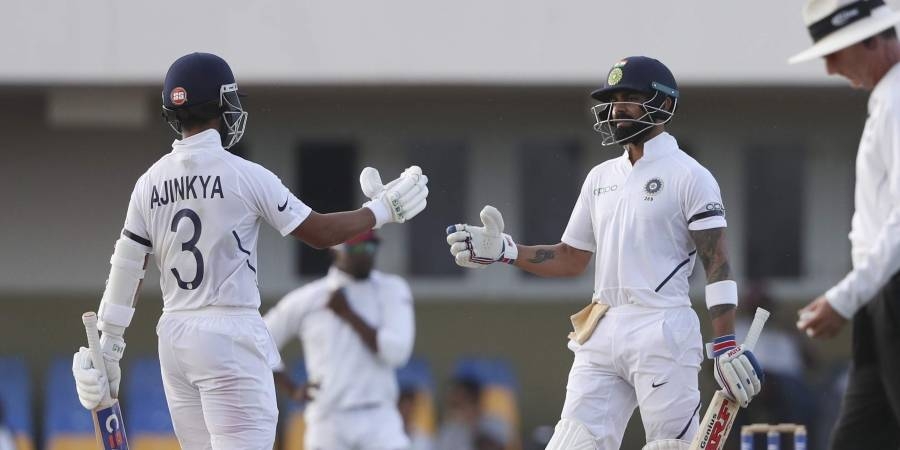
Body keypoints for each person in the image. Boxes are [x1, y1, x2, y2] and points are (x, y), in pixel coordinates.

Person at [70, 52, 429, 450]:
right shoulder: (244, 174)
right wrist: (380, 211)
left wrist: (109, 347)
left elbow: (127, 268)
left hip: (174, 336)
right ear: (219, 104)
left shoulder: (149, 182)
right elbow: (321, 233)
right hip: (229, 334)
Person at [445, 56, 764, 450]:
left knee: (671, 447)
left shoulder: (690, 176)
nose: (617, 110)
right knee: (571, 444)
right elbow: (570, 257)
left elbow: (717, 261)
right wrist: (505, 250)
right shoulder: (600, 178)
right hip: (602, 325)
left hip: (661, 327)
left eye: (629, 98)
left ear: (664, 105)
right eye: (613, 100)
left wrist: (725, 344)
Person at [790, 0, 900, 448]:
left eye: (835, 53)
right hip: (880, 300)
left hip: (891, 294)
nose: (830, 69)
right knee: (859, 437)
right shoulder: (888, 99)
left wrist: (845, 297)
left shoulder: (896, 100)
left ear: (872, 40)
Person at [264, 230, 415, 450]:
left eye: (371, 247)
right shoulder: (310, 297)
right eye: (357, 248)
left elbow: (397, 353)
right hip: (327, 419)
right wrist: (289, 387)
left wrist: (349, 315)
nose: (366, 255)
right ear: (335, 249)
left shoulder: (392, 289)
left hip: (379, 415)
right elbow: (259, 339)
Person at [435, 376, 483, 450]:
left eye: (459, 405)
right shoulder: (447, 430)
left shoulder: (488, 435)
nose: (455, 413)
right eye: (452, 405)